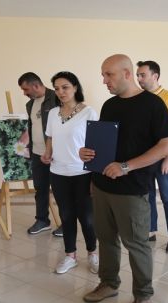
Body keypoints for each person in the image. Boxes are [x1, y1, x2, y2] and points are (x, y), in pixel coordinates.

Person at [79, 54, 168, 303]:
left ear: (126, 74)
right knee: (106, 238)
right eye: (103, 74)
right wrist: (88, 153)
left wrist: (126, 166)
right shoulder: (109, 106)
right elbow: (107, 143)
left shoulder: (153, 105)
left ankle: (143, 295)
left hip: (133, 188)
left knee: (137, 244)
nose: (104, 80)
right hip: (101, 185)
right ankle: (109, 283)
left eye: (109, 74)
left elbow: (166, 144)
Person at [41, 71, 99, 274]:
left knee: (87, 217)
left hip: (82, 173)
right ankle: (70, 256)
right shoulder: (52, 113)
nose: (60, 92)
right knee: (66, 216)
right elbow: (50, 137)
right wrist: (47, 153)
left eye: (65, 87)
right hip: (58, 172)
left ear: (75, 87)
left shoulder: (89, 112)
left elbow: (96, 145)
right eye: (56, 88)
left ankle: (93, 254)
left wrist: (95, 175)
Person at [136, 60, 168, 253]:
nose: (139, 79)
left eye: (142, 75)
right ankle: (151, 231)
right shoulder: (141, 99)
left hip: (163, 158)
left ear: (155, 76)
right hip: (146, 159)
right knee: (149, 197)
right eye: (137, 75)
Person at [18, 73, 64, 237]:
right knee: (40, 189)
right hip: (37, 154)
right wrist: (25, 145)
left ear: (36, 85)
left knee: (60, 190)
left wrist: (53, 150)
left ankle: (67, 224)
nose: (24, 93)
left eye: (25, 89)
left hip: (55, 154)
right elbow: (34, 127)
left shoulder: (56, 98)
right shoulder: (30, 104)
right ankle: (42, 220)